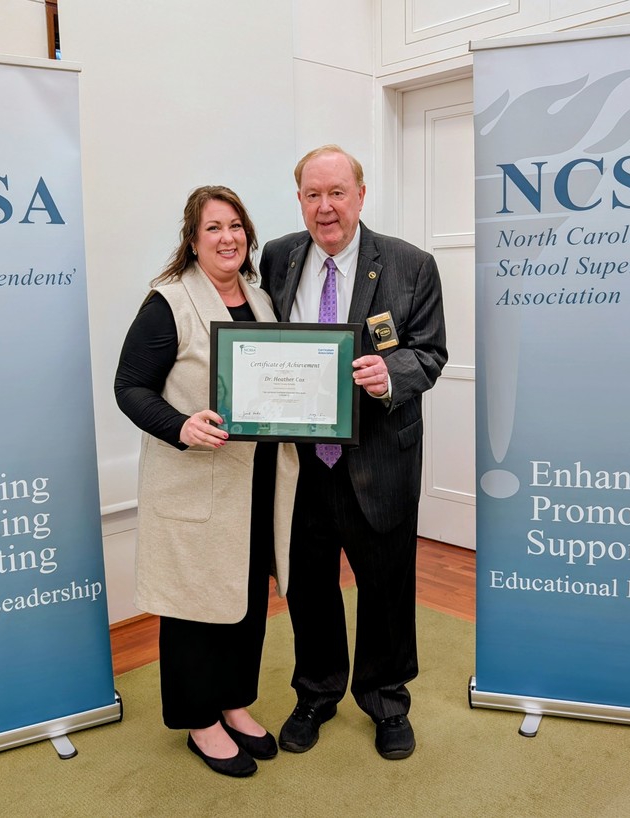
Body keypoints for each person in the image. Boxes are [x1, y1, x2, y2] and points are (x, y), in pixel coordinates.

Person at [259, 145, 447, 760]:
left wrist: (389, 374)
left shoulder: (411, 265)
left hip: (379, 458)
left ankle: (388, 699)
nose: (325, 207)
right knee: (309, 587)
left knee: (385, 587)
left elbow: (430, 353)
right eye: (313, 195)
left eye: (337, 192)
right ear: (300, 201)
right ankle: (316, 693)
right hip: (304, 461)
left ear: (361, 195)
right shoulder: (279, 256)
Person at [115, 186, 299, 778]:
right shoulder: (168, 302)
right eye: (213, 228)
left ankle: (232, 702)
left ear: (247, 234)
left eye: (236, 226)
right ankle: (200, 722)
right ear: (192, 241)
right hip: (196, 482)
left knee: (243, 601)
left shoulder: (262, 299)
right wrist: (181, 425)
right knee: (194, 607)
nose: (227, 238)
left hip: (254, 484)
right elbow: (130, 388)